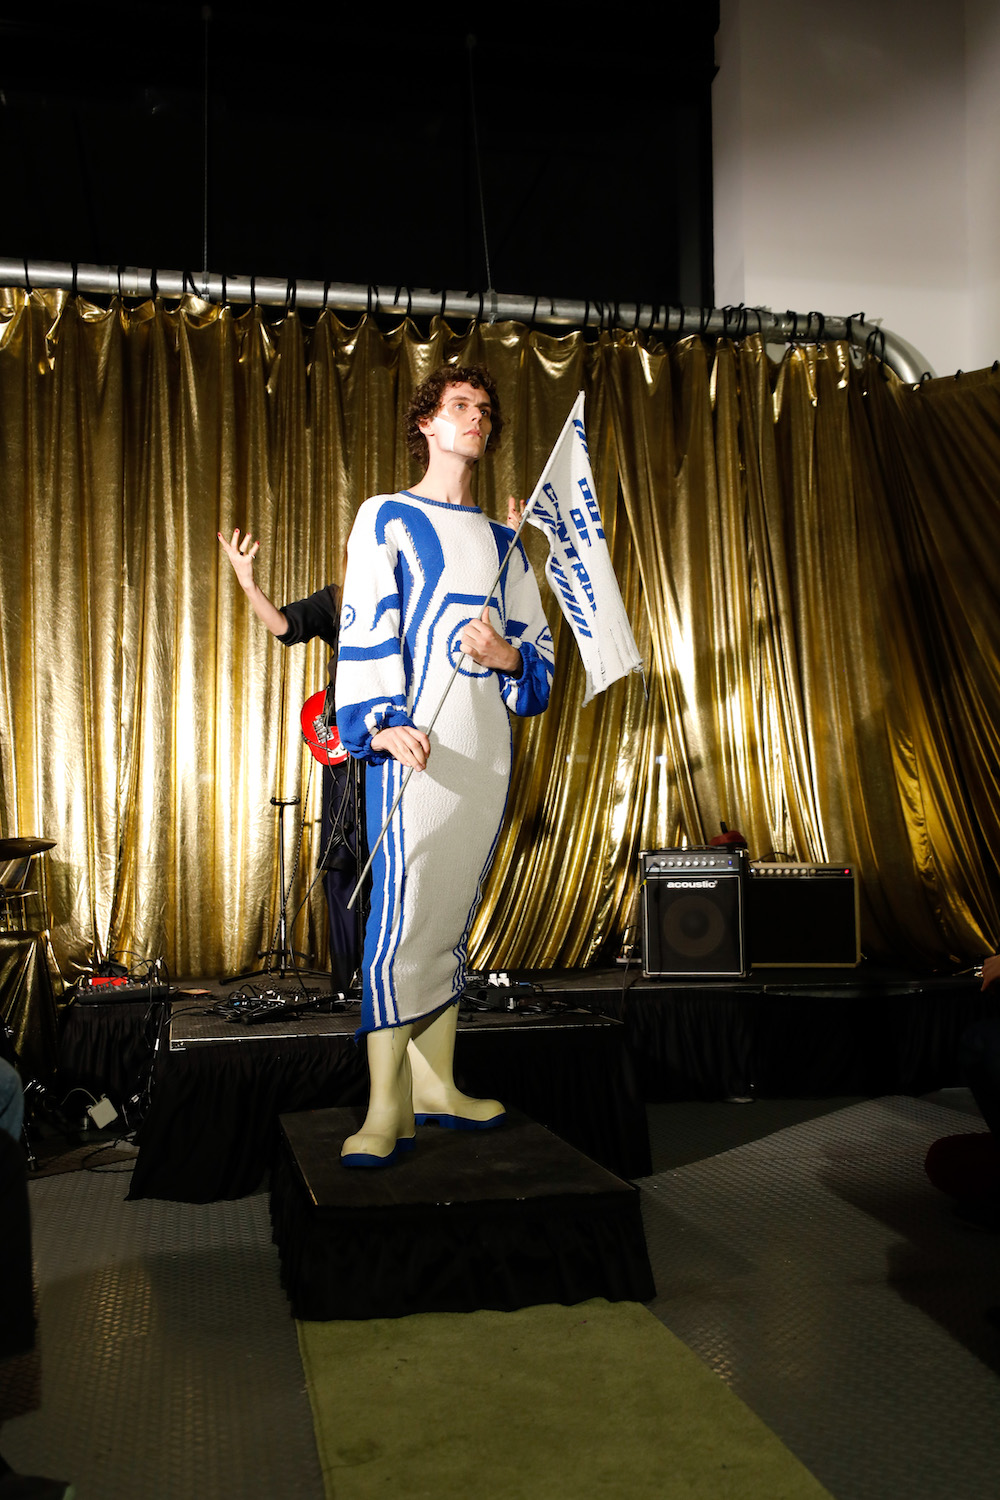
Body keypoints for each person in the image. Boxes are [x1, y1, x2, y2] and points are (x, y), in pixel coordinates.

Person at [334, 364, 554, 1167]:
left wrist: (506, 654)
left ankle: (437, 1088)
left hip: (484, 752)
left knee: (448, 916)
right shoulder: (386, 516)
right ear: (426, 423)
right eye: (460, 407)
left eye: (485, 411)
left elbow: (539, 659)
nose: (476, 420)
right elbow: (366, 623)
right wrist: (380, 724)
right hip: (416, 747)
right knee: (402, 916)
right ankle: (384, 1105)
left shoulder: (506, 541)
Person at [217, 537, 361, 992]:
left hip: (402, 755)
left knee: (395, 872)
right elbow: (285, 626)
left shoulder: (411, 609)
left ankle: (393, 981)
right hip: (350, 758)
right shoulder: (337, 601)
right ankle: (348, 984)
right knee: (344, 868)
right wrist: (247, 582)